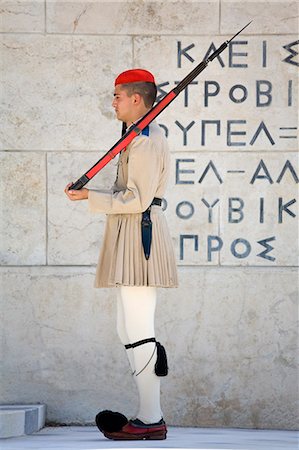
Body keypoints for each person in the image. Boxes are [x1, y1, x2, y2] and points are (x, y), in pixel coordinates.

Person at [64, 68, 178, 440]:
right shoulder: (135, 136)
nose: (112, 102)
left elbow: (138, 199)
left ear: (136, 99)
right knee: (126, 327)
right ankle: (148, 415)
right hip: (129, 231)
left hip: (140, 233)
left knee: (140, 327)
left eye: (117, 95)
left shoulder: (146, 139)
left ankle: (151, 418)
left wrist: (89, 197)